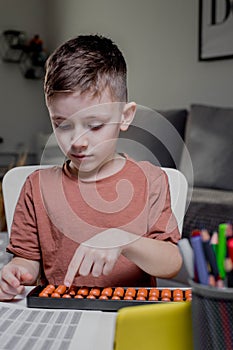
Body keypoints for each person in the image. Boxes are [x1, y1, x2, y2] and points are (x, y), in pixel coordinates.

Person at [0, 35, 182, 300]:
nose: (78, 141)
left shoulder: (150, 180)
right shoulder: (37, 187)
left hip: (127, 317)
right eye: (62, 124)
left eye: (95, 125)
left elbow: (172, 263)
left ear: (125, 116)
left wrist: (124, 240)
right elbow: (25, 260)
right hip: (60, 317)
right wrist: (15, 273)